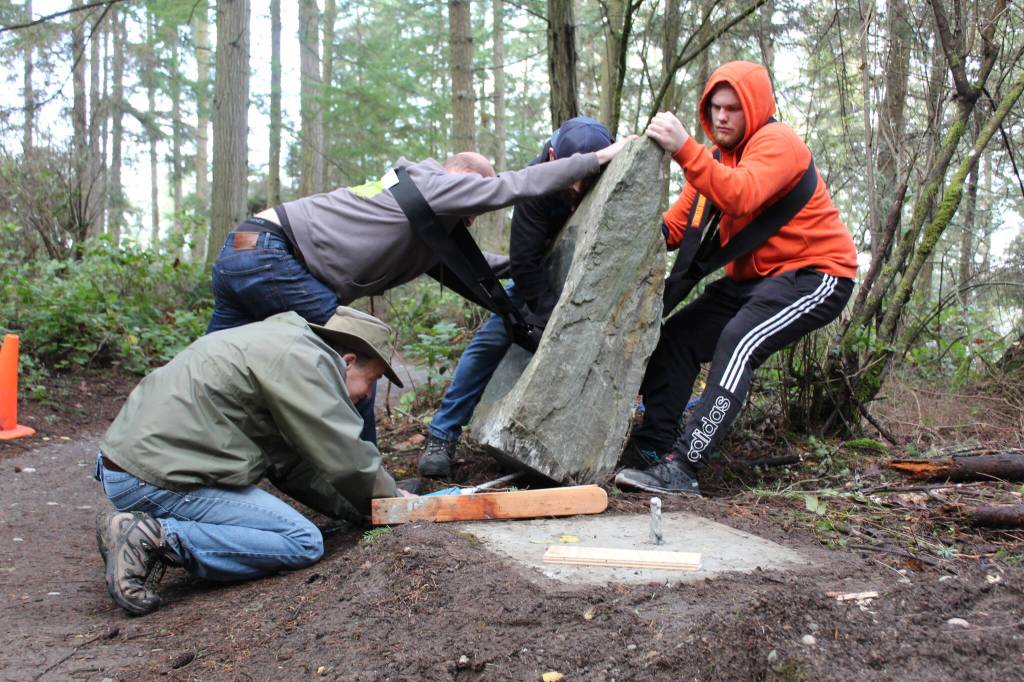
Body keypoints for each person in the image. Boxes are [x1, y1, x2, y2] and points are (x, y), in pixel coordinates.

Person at [205, 140, 629, 444]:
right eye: (474, 203)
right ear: (462, 178)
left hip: (243, 250)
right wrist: (595, 159)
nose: (473, 219)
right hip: (273, 258)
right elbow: (511, 186)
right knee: (360, 363)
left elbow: (477, 266)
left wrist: (536, 259)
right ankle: (367, 490)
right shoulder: (433, 182)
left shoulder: (419, 217)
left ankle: (188, 453)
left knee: (213, 369)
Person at [615, 61, 858, 496]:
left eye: (733, 108)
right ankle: (653, 449)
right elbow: (676, 228)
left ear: (754, 108)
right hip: (752, 282)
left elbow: (740, 194)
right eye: (716, 108)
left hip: (815, 274)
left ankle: (684, 466)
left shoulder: (778, 143)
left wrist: (684, 149)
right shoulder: (713, 160)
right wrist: (618, 221)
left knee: (738, 341)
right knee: (679, 337)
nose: (722, 117)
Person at [94, 306, 409, 616]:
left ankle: (148, 530)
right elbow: (346, 456)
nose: (368, 394)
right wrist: (395, 503)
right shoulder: (306, 363)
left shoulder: (284, 346)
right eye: (371, 380)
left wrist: (363, 509)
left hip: (131, 467)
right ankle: (154, 537)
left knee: (299, 534)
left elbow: (290, 466)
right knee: (302, 541)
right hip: (155, 476)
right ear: (348, 361)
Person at [418, 117, 614, 478]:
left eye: (585, 178)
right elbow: (524, 262)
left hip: (598, 281)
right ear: (553, 157)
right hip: (539, 275)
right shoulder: (534, 186)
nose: (575, 186)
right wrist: (548, 320)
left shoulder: (614, 168)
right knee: (492, 340)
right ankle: (442, 434)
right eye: (570, 175)